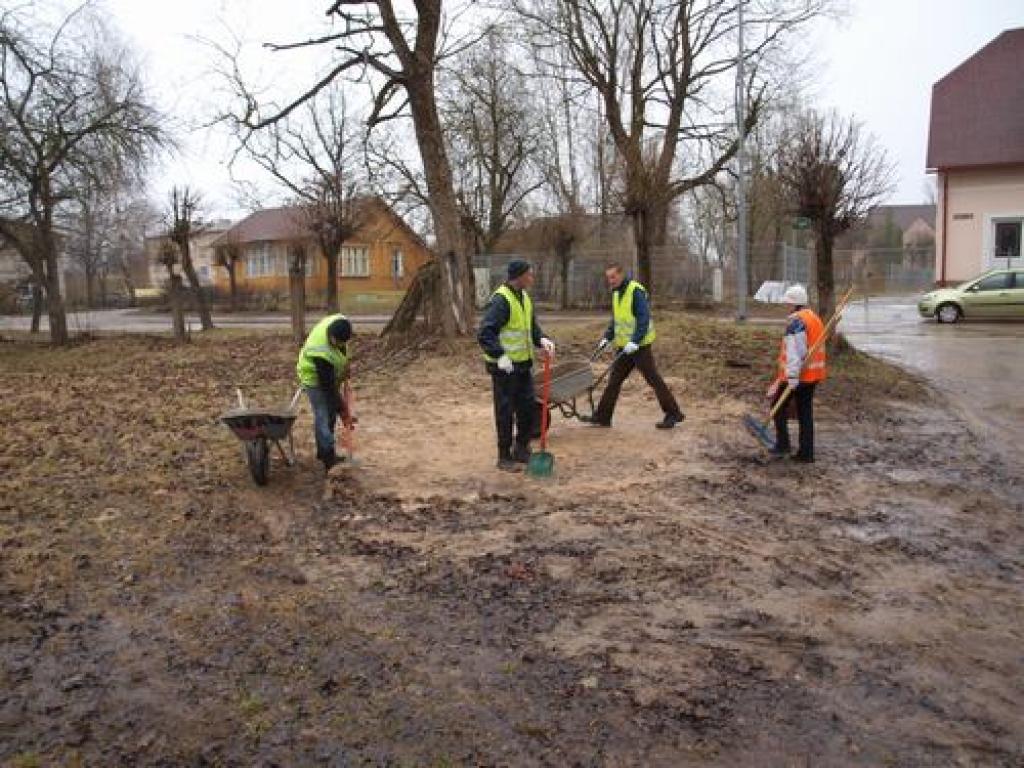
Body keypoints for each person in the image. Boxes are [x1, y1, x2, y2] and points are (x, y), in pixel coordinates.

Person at [583, 263, 684, 429]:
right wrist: (607, 337)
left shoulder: (635, 291)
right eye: (608, 277)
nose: (610, 280)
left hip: (640, 347)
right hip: (624, 348)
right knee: (614, 381)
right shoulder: (616, 294)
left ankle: (673, 413)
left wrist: (635, 341)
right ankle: (603, 417)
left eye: (613, 276)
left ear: (622, 274)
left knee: (654, 380)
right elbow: (617, 320)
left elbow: (643, 319)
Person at [477, 260, 556, 472]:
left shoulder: (524, 298)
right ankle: (504, 456)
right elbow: (485, 333)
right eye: (529, 275)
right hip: (504, 368)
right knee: (505, 411)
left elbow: (531, 327)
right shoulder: (501, 300)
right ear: (518, 277)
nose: (532, 278)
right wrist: (500, 356)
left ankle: (521, 448)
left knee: (527, 407)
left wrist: (543, 340)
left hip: (522, 365)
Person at [767, 284, 827, 463]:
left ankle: (783, 445)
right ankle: (806, 453)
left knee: (777, 406)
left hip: (798, 376)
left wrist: (791, 378)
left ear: (794, 303)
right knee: (805, 413)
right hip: (813, 375)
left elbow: (795, 353)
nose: (786, 306)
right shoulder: (814, 318)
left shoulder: (796, 323)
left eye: (788, 303)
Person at [296, 313, 353, 472]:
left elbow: (342, 352)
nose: (335, 345)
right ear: (330, 335)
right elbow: (329, 389)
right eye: (334, 341)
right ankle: (328, 458)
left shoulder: (341, 322)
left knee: (331, 415)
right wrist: (343, 410)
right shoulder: (321, 352)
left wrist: (345, 367)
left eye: (340, 343)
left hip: (328, 376)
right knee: (323, 415)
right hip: (313, 378)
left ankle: (323, 452)